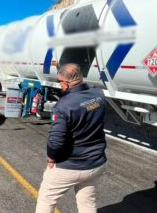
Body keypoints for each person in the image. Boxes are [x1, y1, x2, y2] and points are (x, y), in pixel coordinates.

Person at [35, 63, 107, 213]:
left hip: (70, 165)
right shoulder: (99, 95)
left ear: (66, 84)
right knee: (87, 204)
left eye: (59, 81)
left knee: (46, 199)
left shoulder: (63, 106)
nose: (60, 85)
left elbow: (56, 140)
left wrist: (51, 157)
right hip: (95, 163)